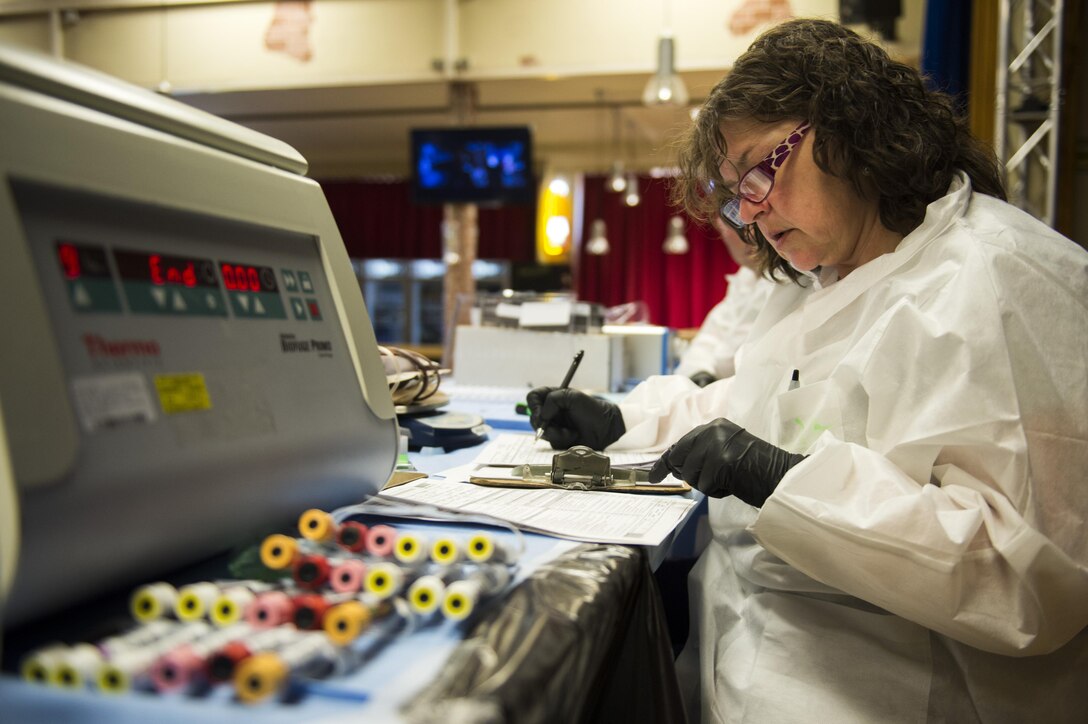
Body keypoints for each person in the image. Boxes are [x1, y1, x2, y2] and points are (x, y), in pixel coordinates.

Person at [527, 18, 1088, 723]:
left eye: (762, 169)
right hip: (758, 661)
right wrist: (624, 420)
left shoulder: (1001, 278)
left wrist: (783, 478)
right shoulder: (826, 278)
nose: (752, 214)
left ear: (853, 124)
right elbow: (761, 400)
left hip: (896, 693)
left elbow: (1024, 583)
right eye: (737, 195)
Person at [674, 216, 775, 386]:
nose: (750, 234)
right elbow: (707, 341)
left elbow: (731, 361)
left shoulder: (789, 279)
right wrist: (701, 373)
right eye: (737, 224)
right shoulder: (744, 279)